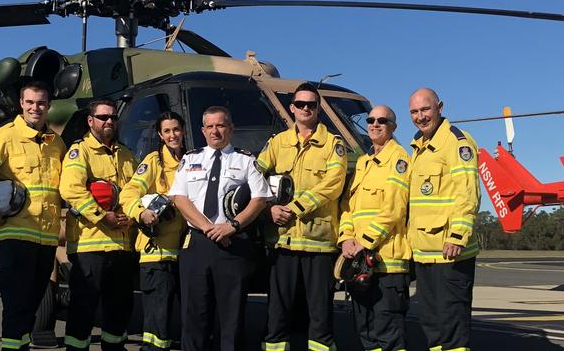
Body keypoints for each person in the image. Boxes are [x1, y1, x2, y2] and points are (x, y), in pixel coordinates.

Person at [0, 81, 66, 351]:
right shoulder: (5, 136)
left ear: (48, 105)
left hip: (46, 241)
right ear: (22, 104)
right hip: (15, 236)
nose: (36, 108)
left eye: (41, 103)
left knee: (30, 308)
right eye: (31, 102)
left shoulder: (56, 143)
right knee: (15, 309)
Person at [169, 106, 271, 351]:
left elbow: (260, 199)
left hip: (233, 245)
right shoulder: (190, 159)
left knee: (231, 318)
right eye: (210, 126)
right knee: (194, 316)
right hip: (197, 245)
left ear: (231, 128)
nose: (216, 131)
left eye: (221, 125)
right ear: (203, 130)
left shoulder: (246, 160)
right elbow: (179, 198)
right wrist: (208, 228)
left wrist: (232, 226)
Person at [257, 82, 347, 351]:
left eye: (311, 104)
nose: (306, 108)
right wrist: (268, 208)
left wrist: (295, 208)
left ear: (319, 109)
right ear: (292, 108)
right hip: (282, 242)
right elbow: (255, 176)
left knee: (319, 315)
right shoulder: (277, 143)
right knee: (277, 314)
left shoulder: (334, 144)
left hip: (317, 243)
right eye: (301, 104)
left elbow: (333, 184)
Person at [59, 99, 138, 351]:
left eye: (113, 118)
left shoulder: (126, 155)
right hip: (89, 247)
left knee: (119, 310)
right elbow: (70, 189)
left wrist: (130, 216)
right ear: (90, 121)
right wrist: (103, 217)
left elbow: (134, 192)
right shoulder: (80, 151)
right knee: (84, 310)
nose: (108, 122)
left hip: (122, 246)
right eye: (103, 117)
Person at [408, 88, 480, 351]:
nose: (420, 117)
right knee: (432, 326)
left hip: (451, 253)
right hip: (425, 253)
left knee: (452, 328)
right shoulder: (418, 146)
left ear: (439, 106)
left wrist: (458, 234)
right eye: (414, 112)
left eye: (425, 109)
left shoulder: (457, 142)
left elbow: (467, 191)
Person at [338, 105, 411, 351]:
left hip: (387, 265)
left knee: (388, 334)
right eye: (371, 120)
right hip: (360, 263)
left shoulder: (399, 159)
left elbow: (394, 209)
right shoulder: (363, 163)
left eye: (383, 120)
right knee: (366, 332)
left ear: (393, 126)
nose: (375, 124)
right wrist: (347, 239)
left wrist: (364, 242)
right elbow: (348, 207)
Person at [118, 111, 188, 351]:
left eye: (176, 129)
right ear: (160, 135)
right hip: (156, 252)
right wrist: (142, 213)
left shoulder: (192, 161)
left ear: (184, 131)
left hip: (186, 251)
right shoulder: (153, 161)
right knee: (158, 322)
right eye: (167, 131)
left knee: (190, 315)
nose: (172, 135)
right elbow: (128, 194)